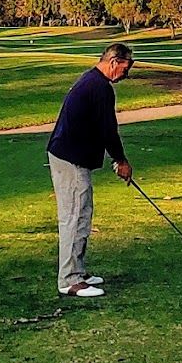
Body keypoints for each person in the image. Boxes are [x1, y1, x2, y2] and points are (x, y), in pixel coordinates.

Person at [46, 43, 135, 298]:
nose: (125, 75)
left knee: (82, 212)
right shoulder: (99, 87)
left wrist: (117, 159)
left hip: (74, 156)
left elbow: (99, 129)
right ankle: (69, 280)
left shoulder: (93, 81)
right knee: (73, 216)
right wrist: (122, 161)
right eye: (125, 68)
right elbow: (109, 131)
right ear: (114, 62)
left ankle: (78, 270)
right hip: (69, 158)